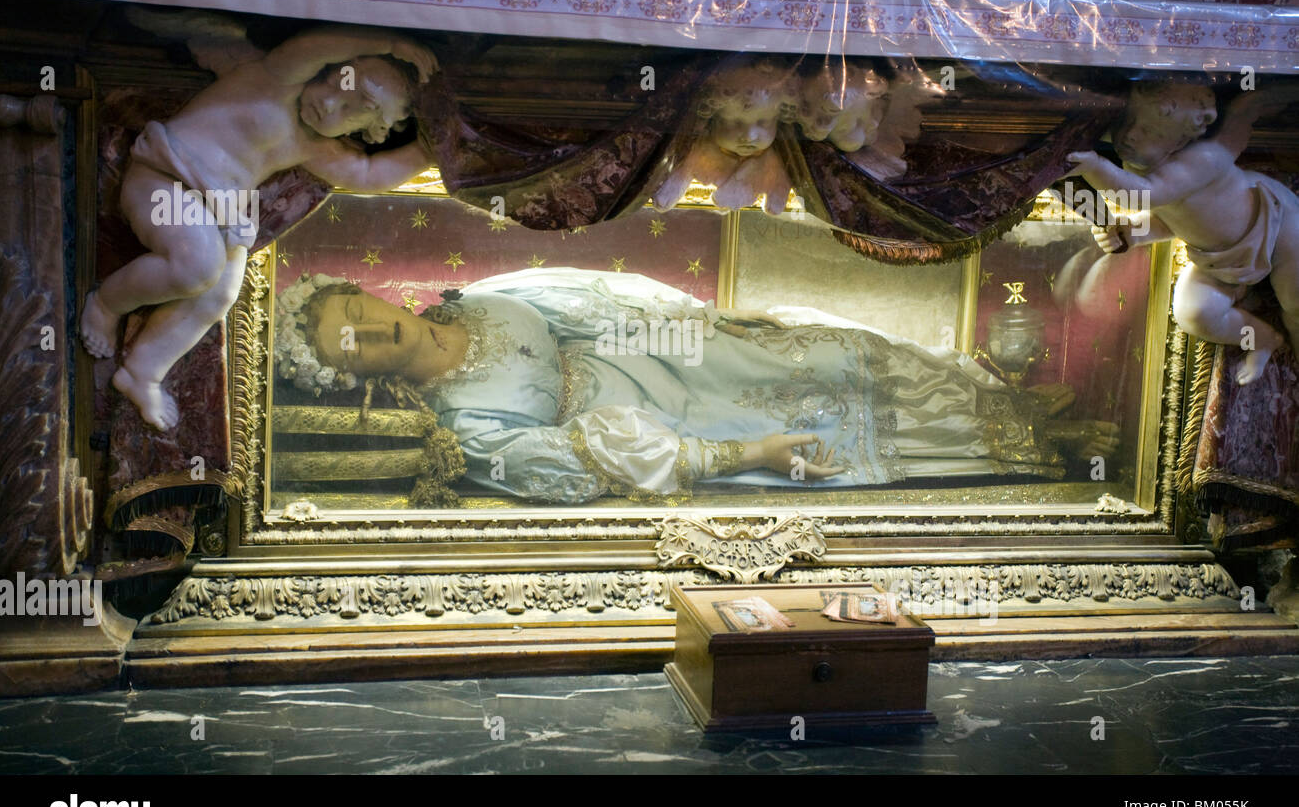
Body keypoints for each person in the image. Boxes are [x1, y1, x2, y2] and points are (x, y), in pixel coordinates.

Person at [275, 268, 1118, 505]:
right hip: (674, 429)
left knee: (831, 356)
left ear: (370, 292)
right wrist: (739, 452)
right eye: (350, 342)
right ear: (352, 377)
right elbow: (578, 464)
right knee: (836, 442)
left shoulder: (493, 299)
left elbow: (613, 306)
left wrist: (721, 322)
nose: (374, 325)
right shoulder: (462, 423)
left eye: (357, 306)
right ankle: (1036, 458)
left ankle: (1024, 410)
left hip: (687, 356)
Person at [81, 25, 438, 430]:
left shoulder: (314, 143)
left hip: (218, 213)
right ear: (333, 66)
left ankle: (143, 370)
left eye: (355, 110)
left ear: (363, 130)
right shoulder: (277, 77)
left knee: (220, 293)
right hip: (164, 180)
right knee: (198, 265)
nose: (332, 103)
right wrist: (391, 43)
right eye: (340, 81)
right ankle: (107, 303)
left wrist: (430, 150)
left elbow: (368, 172)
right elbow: (312, 44)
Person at [1069, 81, 1299, 385]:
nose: (1131, 135)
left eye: (1150, 132)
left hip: (1276, 227)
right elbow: (1174, 218)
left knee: (1295, 303)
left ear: (1181, 137)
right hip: (1216, 260)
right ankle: (1261, 338)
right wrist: (1133, 232)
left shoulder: (1203, 158)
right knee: (1193, 314)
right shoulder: (1140, 166)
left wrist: (1094, 166)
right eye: (1128, 124)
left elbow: (1143, 197)